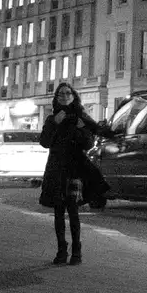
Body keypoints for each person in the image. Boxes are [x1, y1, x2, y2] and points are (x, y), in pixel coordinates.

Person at [38, 82, 108, 265]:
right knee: (58, 211)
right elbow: (44, 142)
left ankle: (77, 250)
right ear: (56, 98)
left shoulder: (81, 117)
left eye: (68, 93)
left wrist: (79, 128)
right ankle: (62, 250)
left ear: (73, 96)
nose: (64, 96)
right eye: (60, 94)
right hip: (56, 168)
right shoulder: (52, 118)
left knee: (73, 210)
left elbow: (88, 144)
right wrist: (55, 123)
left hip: (74, 168)